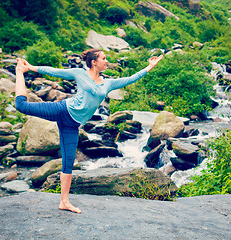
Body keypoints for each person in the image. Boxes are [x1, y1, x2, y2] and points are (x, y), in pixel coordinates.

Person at [15, 49, 163, 213]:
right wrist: (30, 67)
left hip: (72, 125)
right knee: (21, 106)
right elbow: (54, 71)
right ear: (94, 62)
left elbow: (130, 79)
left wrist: (150, 66)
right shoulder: (79, 73)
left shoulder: (107, 83)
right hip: (62, 110)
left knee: (68, 163)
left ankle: (64, 201)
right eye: (104, 58)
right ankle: (19, 72)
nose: (107, 61)